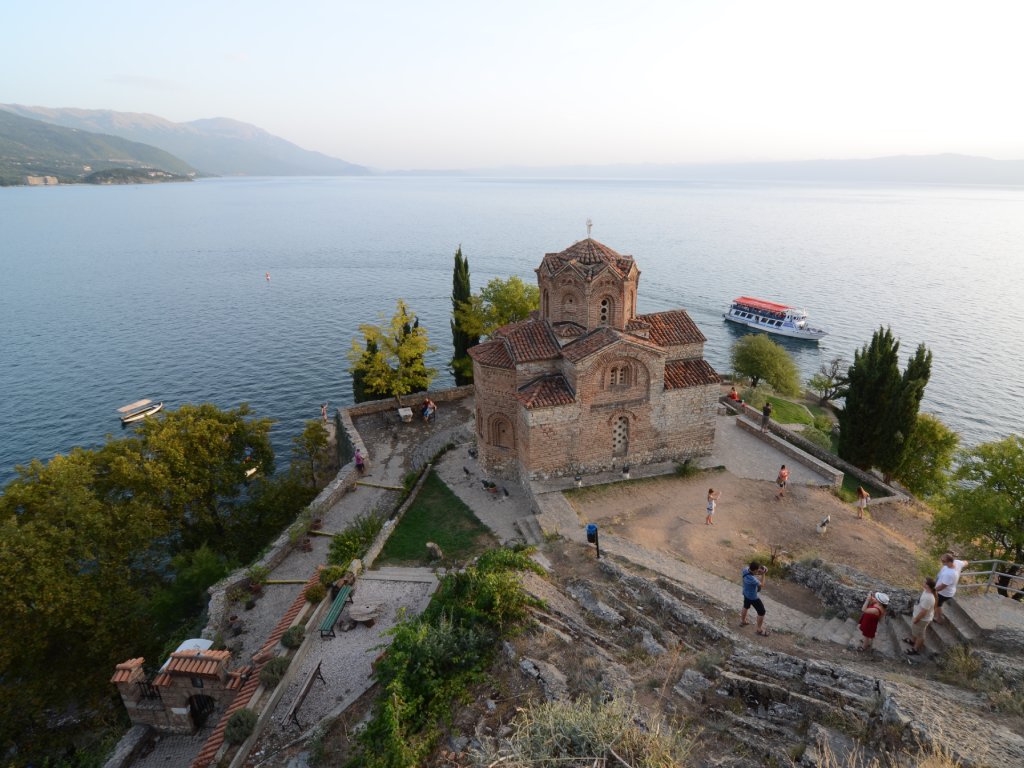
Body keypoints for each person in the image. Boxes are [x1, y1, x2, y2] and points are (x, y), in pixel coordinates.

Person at [934, 552, 969, 624]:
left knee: (937, 604)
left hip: (943, 593)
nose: (942, 562)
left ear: (949, 561)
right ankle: (937, 616)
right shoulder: (957, 563)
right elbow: (966, 562)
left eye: (943, 561)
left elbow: (942, 587)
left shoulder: (950, 574)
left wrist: (933, 590)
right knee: (937, 603)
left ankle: (939, 619)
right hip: (949, 591)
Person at [905, 577, 936, 655]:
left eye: (924, 582)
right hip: (917, 616)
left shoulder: (929, 598)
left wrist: (916, 619)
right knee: (916, 631)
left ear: (927, 586)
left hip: (922, 619)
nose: (923, 582)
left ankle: (915, 649)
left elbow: (923, 612)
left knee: (920, 634)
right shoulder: (926, 591)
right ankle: (912, 641)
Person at [740, 560, 769, 636]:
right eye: (757, 570)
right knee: (762, 611)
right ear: (755, 570)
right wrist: (763, 574)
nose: (758, 571)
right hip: (753, 597)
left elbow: (752, 573)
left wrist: (758, 572)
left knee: (746, 606)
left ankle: (743, 621)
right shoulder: (752, 579)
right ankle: (759, 629)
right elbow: (762, 585)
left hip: (745, 593)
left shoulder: (745, 569)